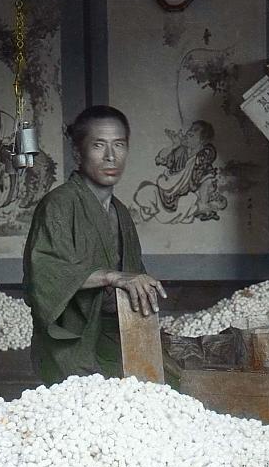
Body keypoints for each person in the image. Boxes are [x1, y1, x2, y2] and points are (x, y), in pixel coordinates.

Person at [23, 106, 168, 382]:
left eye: (119, 145)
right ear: (78, 153)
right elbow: (45, 276)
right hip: (71, 344)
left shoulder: (120, 211)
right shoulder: (59, 205)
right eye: (99, 145)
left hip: (118, 337)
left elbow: (133, 275)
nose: (111, 156)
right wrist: (112, 276)